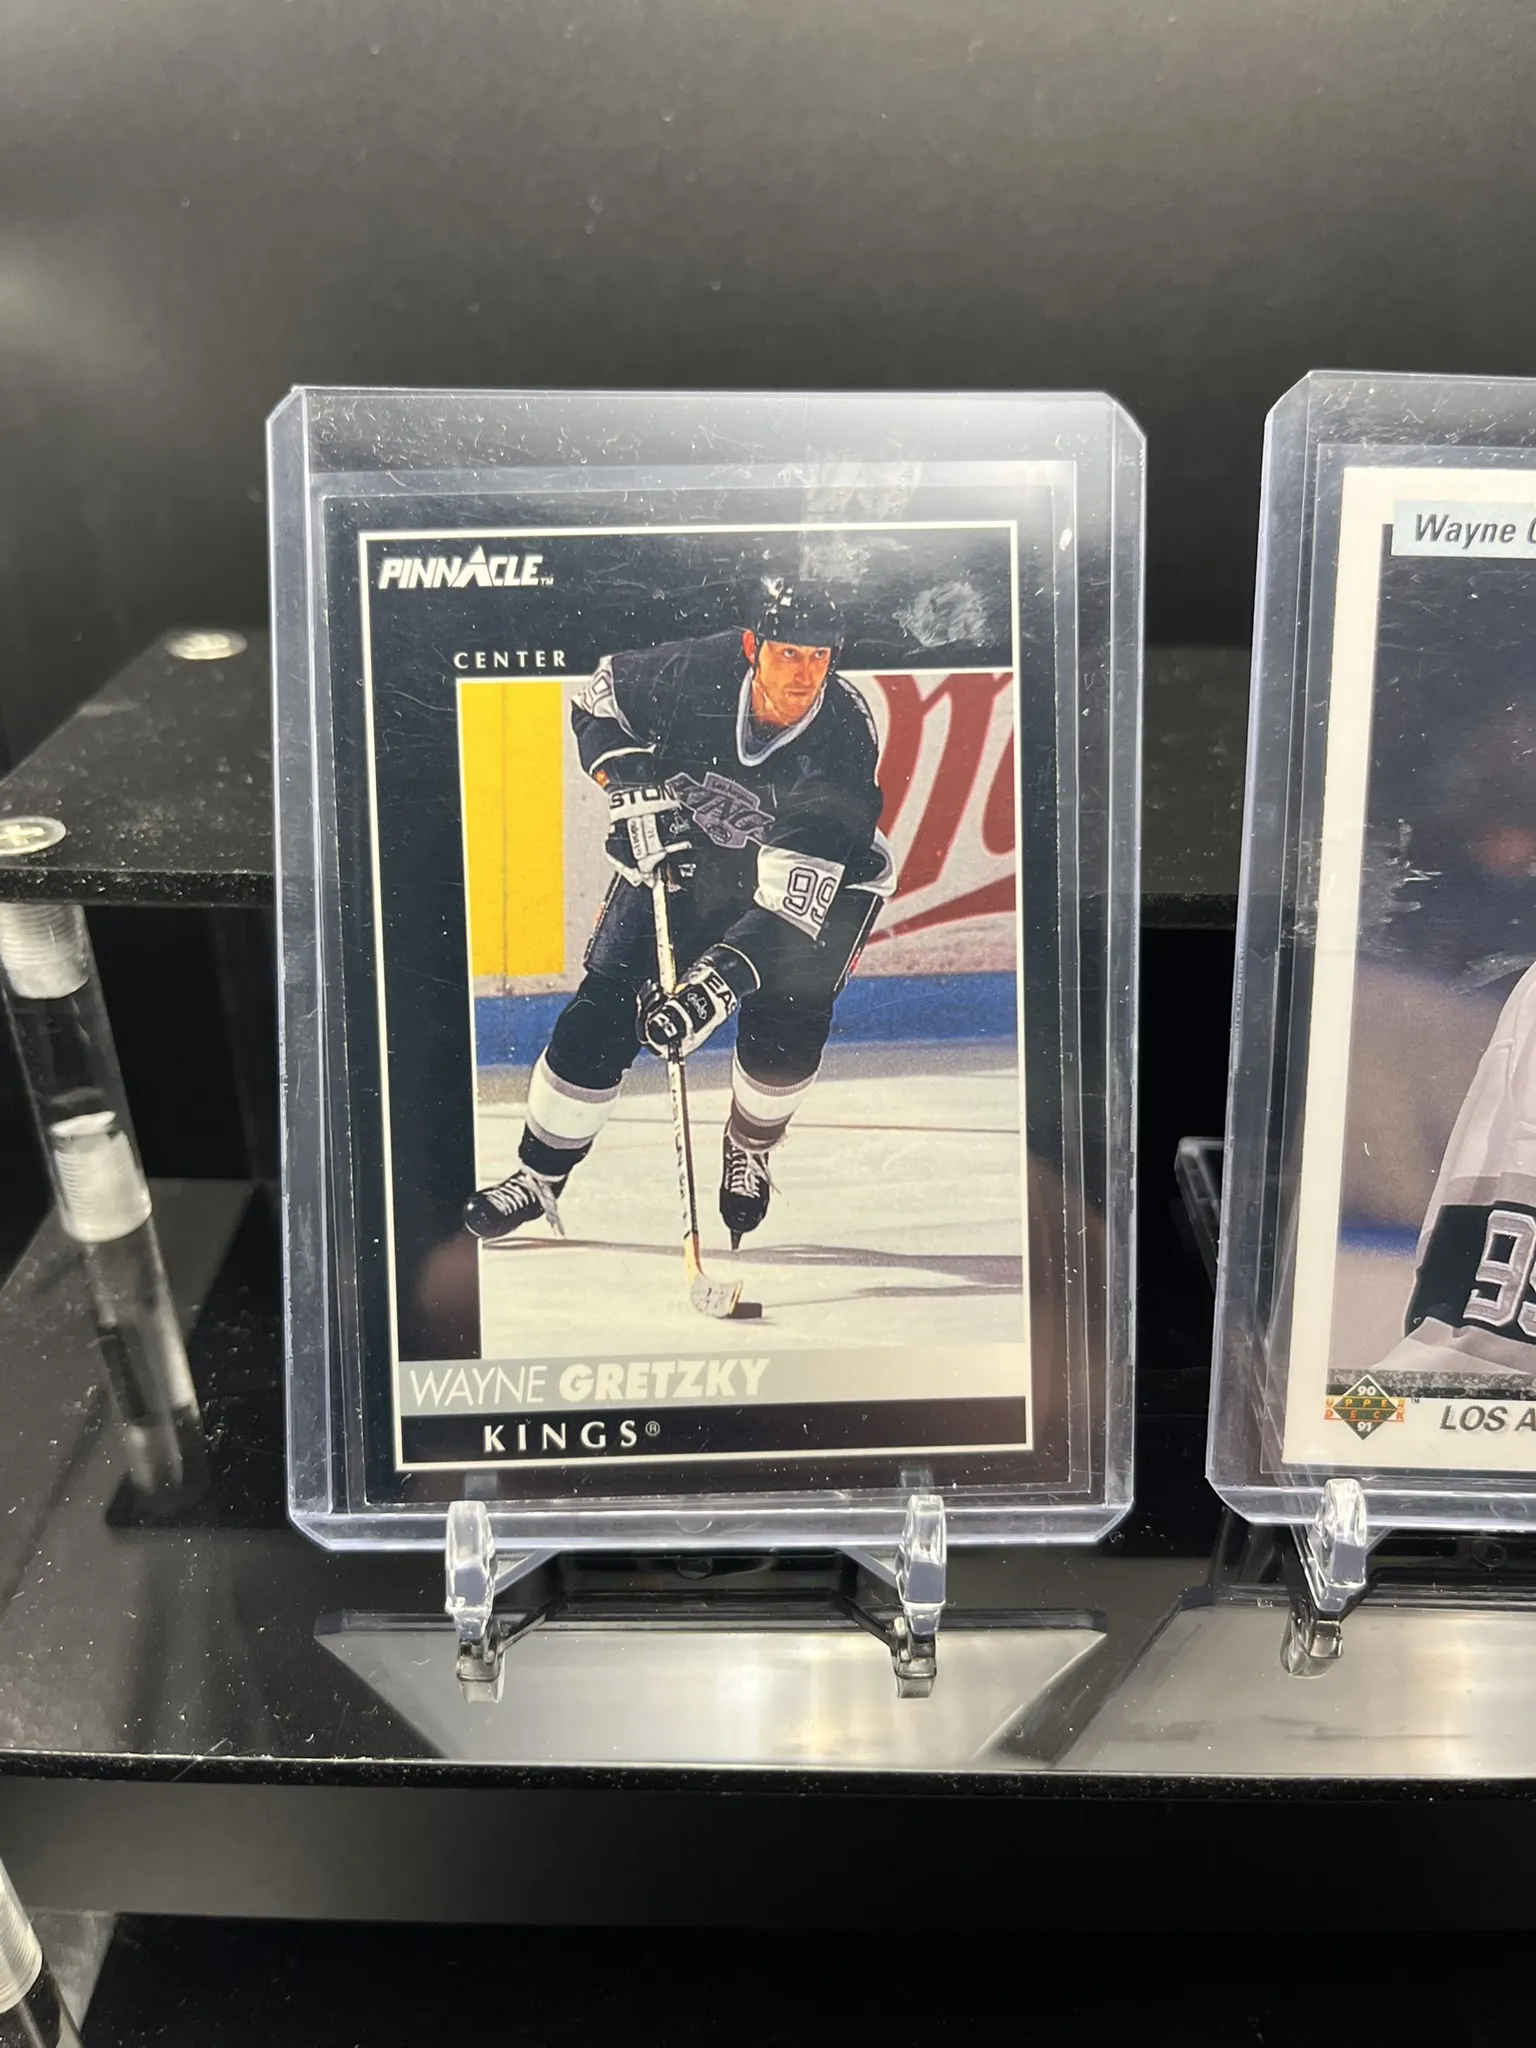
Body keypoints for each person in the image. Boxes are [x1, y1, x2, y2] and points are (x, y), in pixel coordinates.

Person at [463, 580, 895, 1249]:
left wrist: (707, 994)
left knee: (787, 1022)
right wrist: (628, 784)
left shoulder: (842, 735)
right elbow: (599, 700)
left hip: (824, 885)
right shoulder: (696, 669)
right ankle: (538, 1175)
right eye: (788, 653)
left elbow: (787, 907)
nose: (804, 673)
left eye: (819, 656)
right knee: (603, 1009)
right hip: (686, 852)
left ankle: (749, 1147)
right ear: (753, 646)